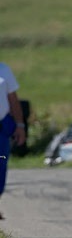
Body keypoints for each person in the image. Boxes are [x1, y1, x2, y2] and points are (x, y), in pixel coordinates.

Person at [0, 62, 26, 214]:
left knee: (1, 163)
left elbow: (13, 100)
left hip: (1, 127)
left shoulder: (4, 70)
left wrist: (20, 125)